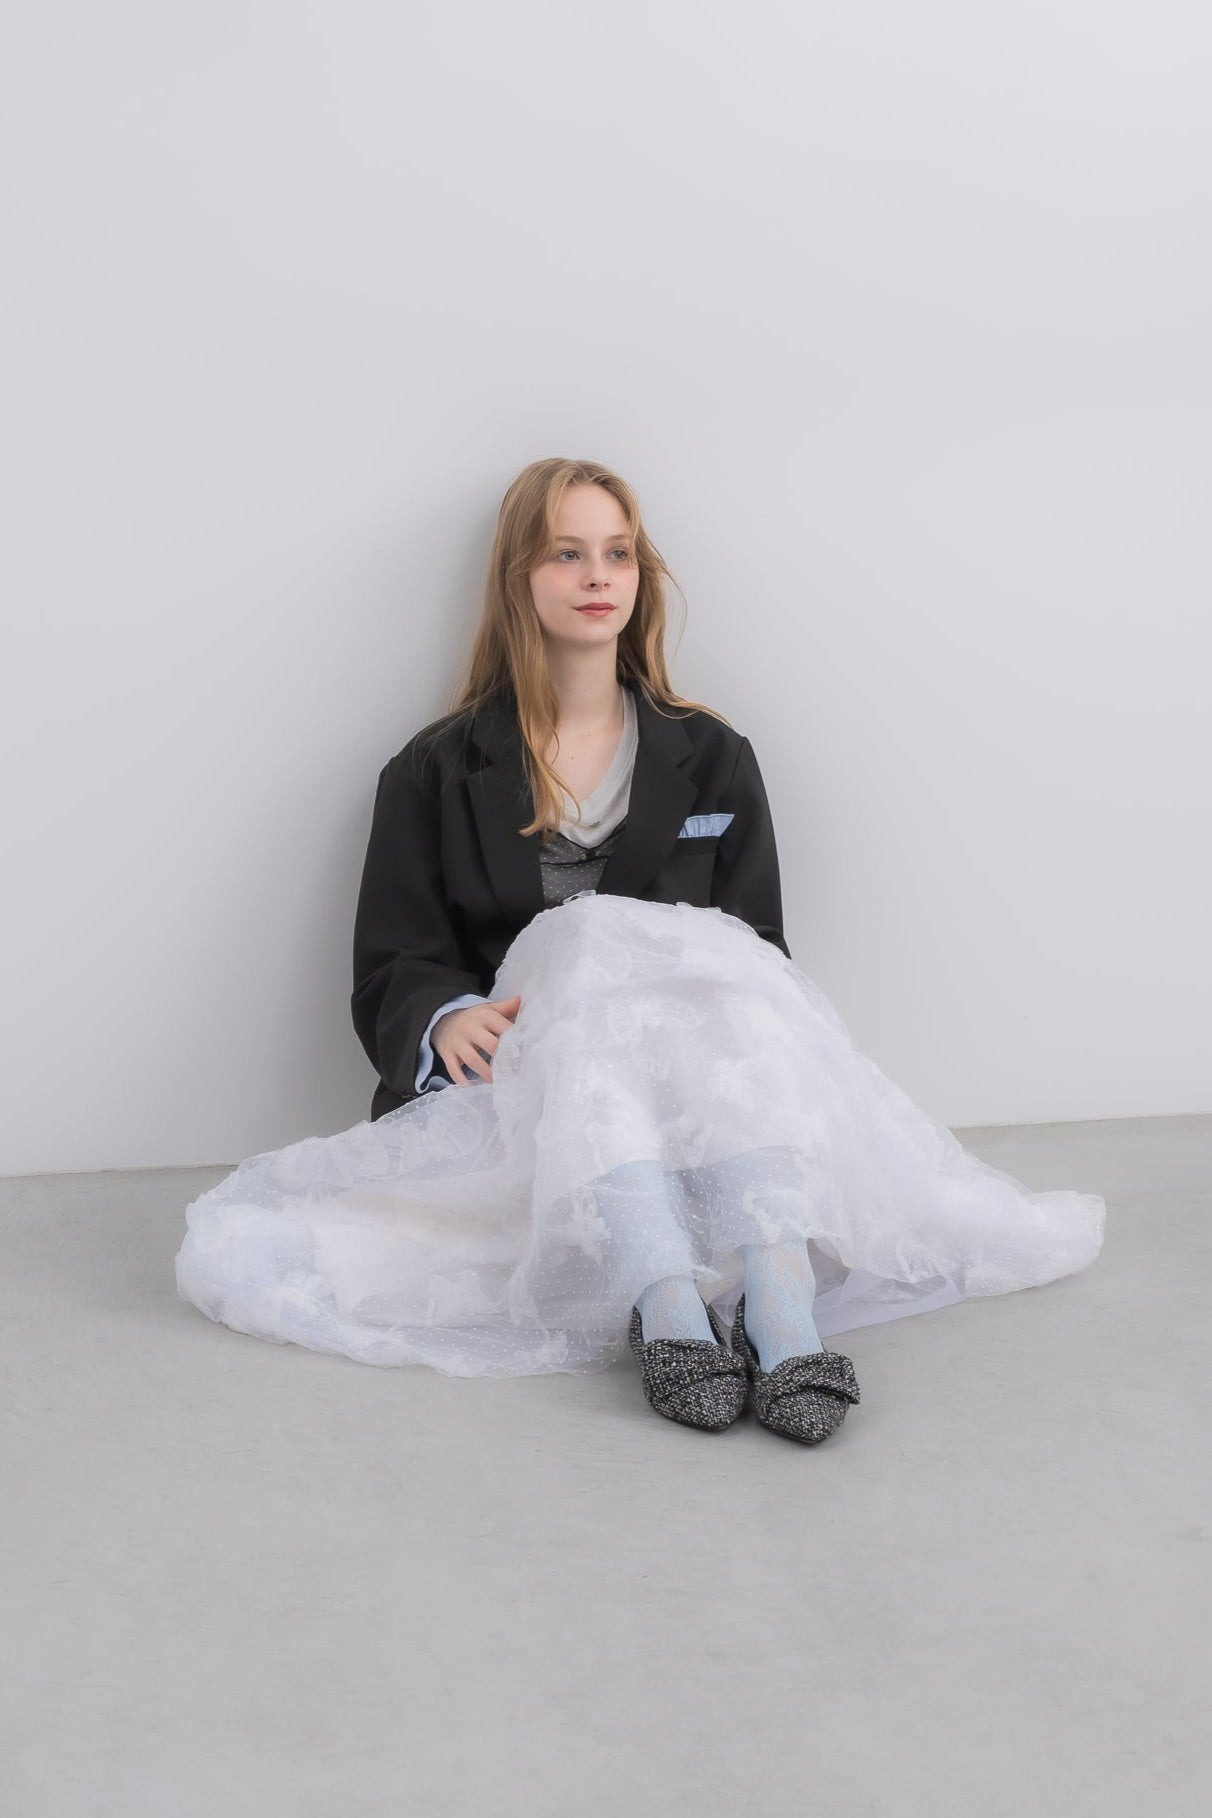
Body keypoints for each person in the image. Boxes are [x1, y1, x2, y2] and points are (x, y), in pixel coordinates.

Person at [174, 457, 1106, 1446]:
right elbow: (393, 955)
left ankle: (777, 1295)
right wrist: (446, 1018)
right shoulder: (433, 770)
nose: (597, 576)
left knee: (698, 956)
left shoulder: (715, 756)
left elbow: (760, 958)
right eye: (567, 554)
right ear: (519, 578)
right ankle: (666, 1296)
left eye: (618, 554)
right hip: (533, 1088)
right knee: (588, 935)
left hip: (697, 1109)